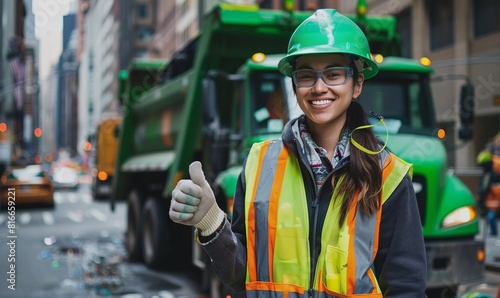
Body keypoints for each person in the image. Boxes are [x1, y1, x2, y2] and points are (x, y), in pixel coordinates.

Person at [169, 9, 427, 297]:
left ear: (357, 84)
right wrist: (211, 222)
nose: (319, 87)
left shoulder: (388, 175)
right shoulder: (259, 163)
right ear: (295, 86)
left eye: (333, 74)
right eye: (306, 76)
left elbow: (406, 287)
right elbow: (241, 276)